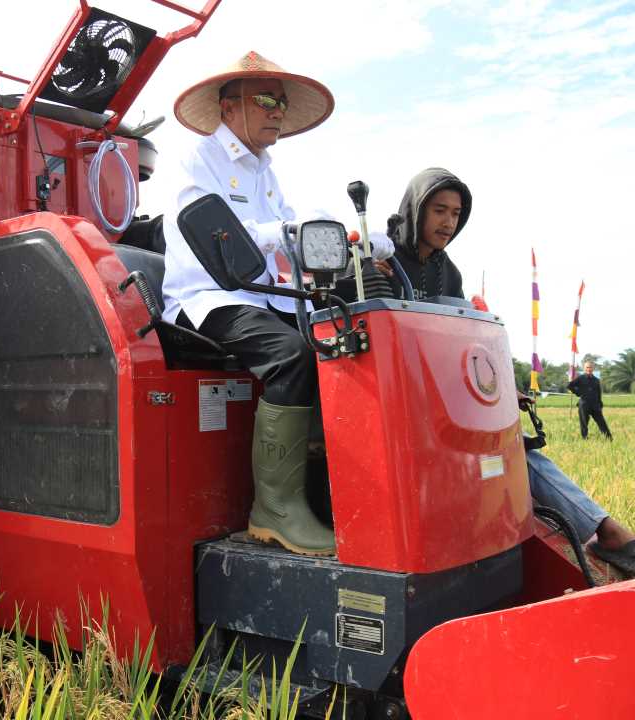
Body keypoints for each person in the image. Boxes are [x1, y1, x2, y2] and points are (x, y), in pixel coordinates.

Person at [162, 51, 393, 557]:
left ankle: (334, 492)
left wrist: (351, 245)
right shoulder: (197, 161)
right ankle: (275, 510)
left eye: (281, 103)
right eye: (266, 100)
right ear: (228, 107)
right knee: (292, 354)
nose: (278, 112)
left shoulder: (266, 172)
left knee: (342, 337)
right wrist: (290, 231)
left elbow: (290, 249)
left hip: (264, 297)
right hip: (208, 298)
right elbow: (221, 240)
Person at [382, 167, 635, 575]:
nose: (448, 222)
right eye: (439, 210)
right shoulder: (379, 259)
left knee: (511, 449)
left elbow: (463, 337)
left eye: (456, 213)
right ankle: (608, 532)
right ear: (416, 209)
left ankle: (604, 530)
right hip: (393, 401)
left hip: (443, 398)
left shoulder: (449, 271)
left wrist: (503, 388)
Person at [568, 361, 612, 440]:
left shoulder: (596, 380)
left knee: (602, 422)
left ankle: (609, 439)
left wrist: (600, 403)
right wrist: (578, 393)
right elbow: (570, 386)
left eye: (590, 367)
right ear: (584, 368)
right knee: (584, 423)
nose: (589, 369)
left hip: (595, 405)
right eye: (587, 367)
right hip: (584, 404)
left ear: (593, 368)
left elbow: (599, 393)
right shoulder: (580, 378)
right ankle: (585, 439)